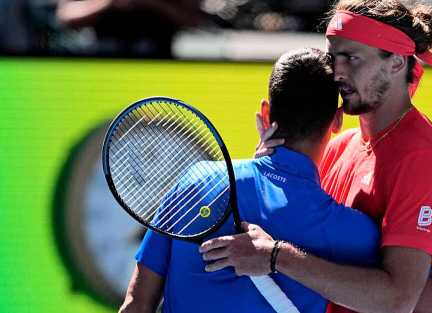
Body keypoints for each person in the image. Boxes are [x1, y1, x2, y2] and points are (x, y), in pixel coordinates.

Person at [201, 1, 432, 313]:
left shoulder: (421, 155)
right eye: (333, 57)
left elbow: (397, 300)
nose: (336, 72)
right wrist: (267, 171)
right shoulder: (339, 145)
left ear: (397, 63)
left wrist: (276, 256)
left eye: (352, 58)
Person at [119, 48, 382, 313]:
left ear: (266, 114)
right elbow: (397, 297)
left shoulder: (195, 181)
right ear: (337, 122)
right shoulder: (356, 233)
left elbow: (136, 305)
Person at [56, 0, 203, 58]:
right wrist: (108, 3)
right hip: (101, 72)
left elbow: (193, 20)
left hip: (158, 72)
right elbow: (65, 16)